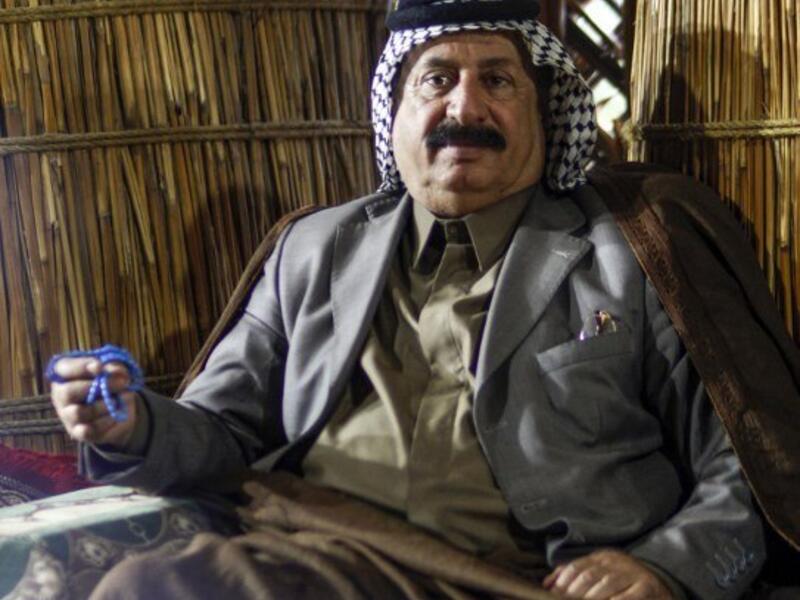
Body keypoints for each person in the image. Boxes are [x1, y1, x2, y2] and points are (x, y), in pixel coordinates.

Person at [50, 1, 774, 598]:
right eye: (436, 80)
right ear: (393, 113)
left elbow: (746, 465)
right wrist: (132, 425)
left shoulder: (634, 251)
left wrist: (665, 569)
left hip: (525, 582)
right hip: (319, 554)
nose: (467, 105)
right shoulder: (313, 248)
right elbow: (219, 431)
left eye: (498, 80)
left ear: (546, 113)